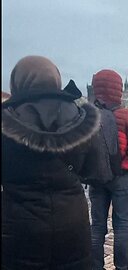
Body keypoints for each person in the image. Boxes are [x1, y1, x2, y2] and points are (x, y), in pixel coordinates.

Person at [2, 55, 100, 269]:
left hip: (20, 229)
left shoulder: (5, 122)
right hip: (73, 224)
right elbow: (93, 170)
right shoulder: (83, 118)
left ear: (17, 82)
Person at [89, 69, 128, 270]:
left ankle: (95, 266)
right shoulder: (127, 116)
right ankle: (122, 267)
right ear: (118, 89)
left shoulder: (89, 116)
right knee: (121, 225)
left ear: (96, 89)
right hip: (120, 176)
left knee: (97, 227)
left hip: (96, 178)